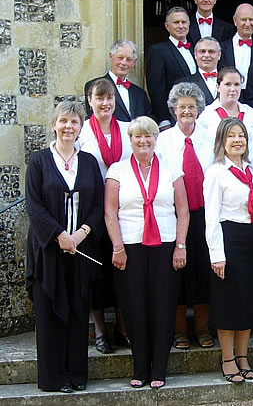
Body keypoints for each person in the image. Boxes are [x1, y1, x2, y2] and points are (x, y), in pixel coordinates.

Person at [104, 116, 189, 389]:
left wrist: (180, 245)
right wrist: (117, 247)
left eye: (148, 136)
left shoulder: (172, 168)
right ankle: (140, 367)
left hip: (165, 244)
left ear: (155, 139)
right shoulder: (117, 170)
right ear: (130, 140)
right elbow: (109, 212)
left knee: (163, 308)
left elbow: (184, 211)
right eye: (137, 136)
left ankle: (159, 369)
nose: (143, 141)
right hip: (129, 246)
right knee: (134, 308)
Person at [26, 102, 103, 393]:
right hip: (49, 250)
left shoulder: (89, 162)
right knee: (50, 313)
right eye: (63, 121)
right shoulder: (39, 161)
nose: (68, 126)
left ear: (81, 126)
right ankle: (53, 378)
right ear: (54, 124)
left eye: (74, 121)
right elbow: (34, 205)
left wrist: (82, 233)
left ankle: (76, 375)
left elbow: (97, 203)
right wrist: (60, 235)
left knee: (77, 311)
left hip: (79, 249)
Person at [204, 118, 253, 383]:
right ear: (222, 141)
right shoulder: (216, 172)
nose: (238, 140)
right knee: (228, 302)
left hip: (251, 239)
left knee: (248, 301)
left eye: (241, 135)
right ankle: (227, 358)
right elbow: (211, 217)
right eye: (231, 136)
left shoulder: (252, 171)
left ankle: (243, 356)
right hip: (228, 239)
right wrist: (217, 254)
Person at [156, 83, 214, 351]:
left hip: (204, 215)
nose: (187, 111)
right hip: (174, 217)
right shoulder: (163, 140)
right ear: (174, 110)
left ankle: (202, 328)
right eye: (182, 107)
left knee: (203, 270)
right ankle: (179, 330)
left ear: (199, 109)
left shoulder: (210, 135)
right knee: (176, 271)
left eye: (192, 106)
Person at [78, 78, 133, 354]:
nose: (105, 103)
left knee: (123, 271)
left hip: (124, 209)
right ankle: (100, 331)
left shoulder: (126, 129)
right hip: (92, 210)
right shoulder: (82, 132)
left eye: (109, 98)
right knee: (96, 273)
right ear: (90, 101)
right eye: (99, 98)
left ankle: (124, 328)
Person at [198, 67, 253, 178]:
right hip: (219, 176)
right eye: (228, 84)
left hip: (250, 175)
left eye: (237, 84)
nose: (233, 89)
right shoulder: (205, 115)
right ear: (218, 86)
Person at [146, 7, 197, 128]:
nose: (181, 26)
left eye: (184, 22)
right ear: (167, 26)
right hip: (173, 117)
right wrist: (163, 120)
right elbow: (156, 89)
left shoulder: (195, 49)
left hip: (196, 115)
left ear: (189, 24)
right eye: (176, 22)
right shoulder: (158, 51)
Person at [84, 40, 152, 122]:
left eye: (129, 59)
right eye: (120, 58)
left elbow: (149, 120)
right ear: (111, 57)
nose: (123, 63)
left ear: (134, 63)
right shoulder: (94, 86)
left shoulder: (140, 93)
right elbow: (93, 118)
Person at [218, 3, 253, 88]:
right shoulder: (221, 48)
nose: (248, 24)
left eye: (251, 19)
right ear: (235, 21)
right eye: (244, 19)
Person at [175, 36, 222, 106]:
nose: (206, 55)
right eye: (202, 51)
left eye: (211, 51)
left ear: (219, 55)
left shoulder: (229, 81)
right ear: (195, 55)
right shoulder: (183, 84)